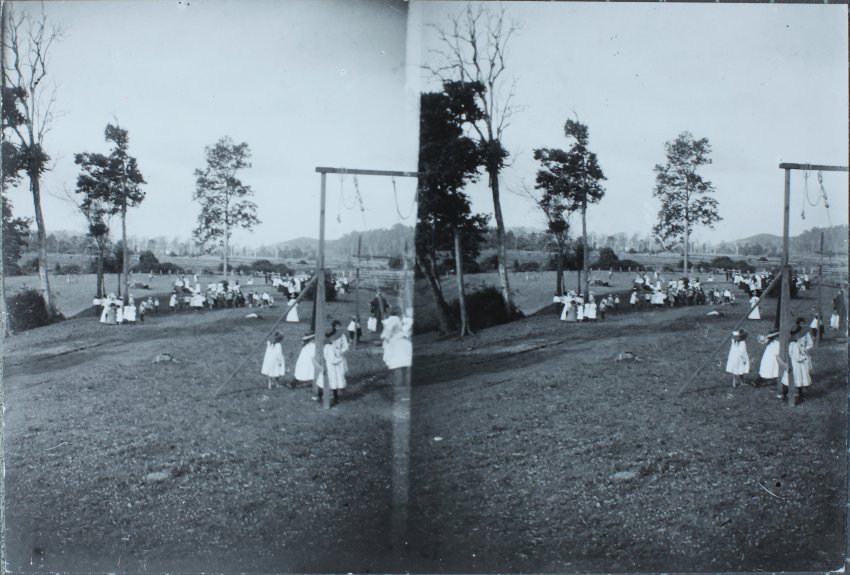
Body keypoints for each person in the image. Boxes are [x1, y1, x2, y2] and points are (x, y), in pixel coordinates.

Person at [781, 326, 811, 402]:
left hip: (795, 364)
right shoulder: (794, 345)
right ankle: (786, 394)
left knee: (798, 379)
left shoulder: (793, 343)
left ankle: (799, 395)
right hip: (797, 365)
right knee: (796, 379)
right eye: (799, 334)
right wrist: (804, 357)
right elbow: (797, 358)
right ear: (796, 335)